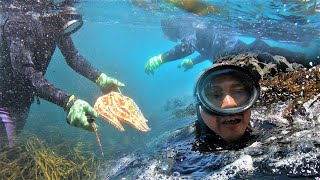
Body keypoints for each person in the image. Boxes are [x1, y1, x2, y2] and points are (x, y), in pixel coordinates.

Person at [0, 0, 124, 148]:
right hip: (4, 101)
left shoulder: (54, 21)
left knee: (8, 151)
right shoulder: (18, 22)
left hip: (22, 101)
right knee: (7, 151)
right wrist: (68, 102)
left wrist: (100, 78)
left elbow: (73, 56)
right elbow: (24, 72)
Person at [144, 17, 315, 75]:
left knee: (284, 63)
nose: (171, 38)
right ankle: (312, 60)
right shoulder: (192, 28)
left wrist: (163, 58)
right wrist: (193, 62)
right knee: (284, 59)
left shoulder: (183, 24)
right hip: (237, 51)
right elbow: (208, 47)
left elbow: (189, 44)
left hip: (235, 55)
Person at [191, 64, 261, 150]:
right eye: (215, 95)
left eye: (238, 92)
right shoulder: (182, 151)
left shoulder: (268, 129)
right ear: (199, 107)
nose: (229, 104)